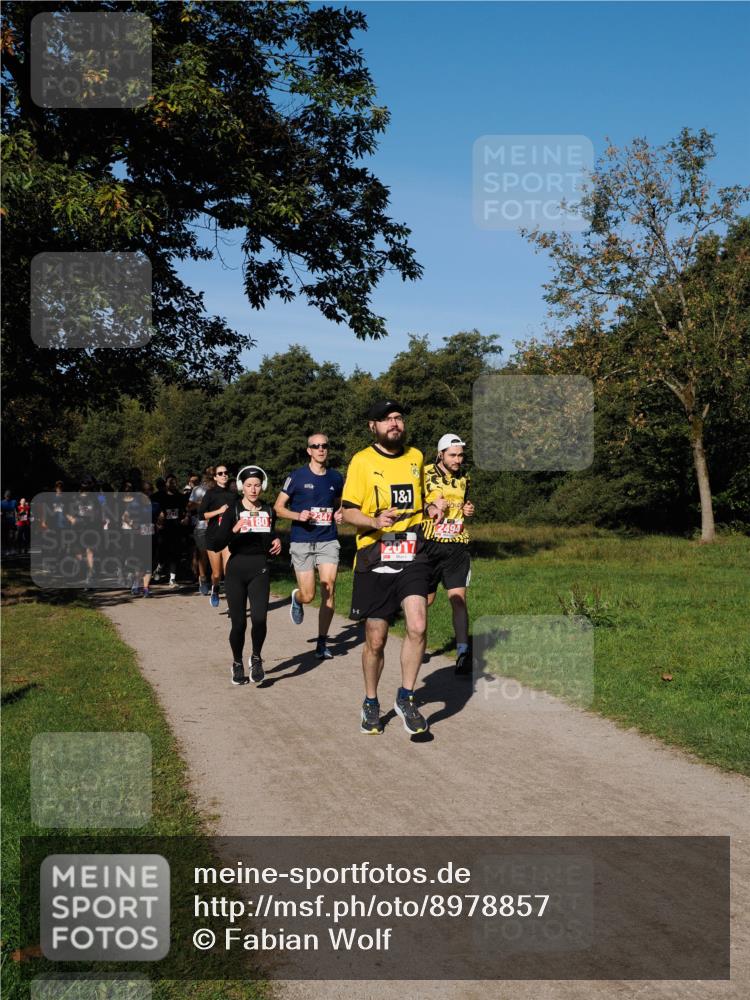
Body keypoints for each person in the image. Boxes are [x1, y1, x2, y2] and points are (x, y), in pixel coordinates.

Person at [341, 400, 444, 736]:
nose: (394, 423)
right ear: (373, 426)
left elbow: (418, 499)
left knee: (418, 624)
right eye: (386, 419)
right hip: (374, 554)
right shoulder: (362, 461)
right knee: (376, 639)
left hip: (412, 551)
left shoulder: (416, 457)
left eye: (398, 417)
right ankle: (371, 701)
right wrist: (374, 521)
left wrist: (431, 508)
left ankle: (406, 697)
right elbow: (348, 511)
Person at [273, 433, 344, 659]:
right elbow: (278, 508)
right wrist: (298, 515)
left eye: (324, 445)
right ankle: (297, 598)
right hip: (302, 540)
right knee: (309, 595)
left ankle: (322, 643)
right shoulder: (296, 476)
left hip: (327, 539)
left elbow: (339, 504)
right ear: (309, 450)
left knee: (329, 587)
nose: (321, 449)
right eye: (316, 446)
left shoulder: (336, 477)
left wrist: (340, 513)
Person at [212, 466, 281, 686]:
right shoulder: (232, 509)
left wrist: (277, 541)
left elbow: (270, 535)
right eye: (249, 485)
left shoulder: (268, 510)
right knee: (239, 623)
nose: (253, 489)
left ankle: (256, 658)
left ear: (263, 486)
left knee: (259, 619)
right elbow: (216, 543)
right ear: (242, 487)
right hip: (236, 570)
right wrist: (233, 529)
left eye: (257, 485)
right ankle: (237, 662)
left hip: (260, 569)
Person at [422, 434, 475, 674]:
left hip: (456, 544)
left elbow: (463, 503)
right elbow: (413, 505)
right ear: (440, 454)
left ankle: (463, 653)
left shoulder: (464, 477)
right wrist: (430, 507)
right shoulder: (424, 473)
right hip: (430, 544)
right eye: (452, 455)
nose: (457, 460)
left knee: (458, 599)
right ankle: (417, 642)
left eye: (460, 455)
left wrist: (468, 508)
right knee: (426, 600)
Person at [200, 463, 235, 608]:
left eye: (225, 472)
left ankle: (232, 604)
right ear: (215, 477)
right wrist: (219, 511)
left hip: (229, 538)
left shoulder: (234, 495)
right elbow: (201, 515)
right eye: (220, 473)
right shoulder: (210, 493)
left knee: (229, 572)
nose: (224, 475)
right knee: (216, 574)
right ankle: (215, 588)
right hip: (213, 537)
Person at [155, 474, 189, 587]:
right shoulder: (160, 496)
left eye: (175, 482)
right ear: (166, 484)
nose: (173, 484)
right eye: (170, 482)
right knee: (162, 552)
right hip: (163, 529)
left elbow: (187, 510)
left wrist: (186, 517)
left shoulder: (180, 497)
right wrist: (158, 519)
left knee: (175, 553)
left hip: (176, 528)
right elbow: (153, 510)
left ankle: (172, 579)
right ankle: (159, 567)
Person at [188, 467, 214, 596]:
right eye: (208, 473)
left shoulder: (220, 489)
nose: (211, 475)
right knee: (203, 554)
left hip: (217, 526)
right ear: (204, 475)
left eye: (213, 473)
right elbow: (189, 506)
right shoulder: (198, 490)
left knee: (216, 554)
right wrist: (203, 503)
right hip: (202, 526)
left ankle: (216, 581)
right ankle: (203, 579)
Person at [1, 490, 18, 555]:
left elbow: (16, 511)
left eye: (9, 496)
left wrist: (17, 520)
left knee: (12, 536)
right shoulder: (1, 503)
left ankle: (12, 549)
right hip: (4, 522)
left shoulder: (14, 502)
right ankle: (5, 550)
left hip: (12, 522)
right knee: (4, 536)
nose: (7, 497)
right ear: (4, 496)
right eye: (6, 496)